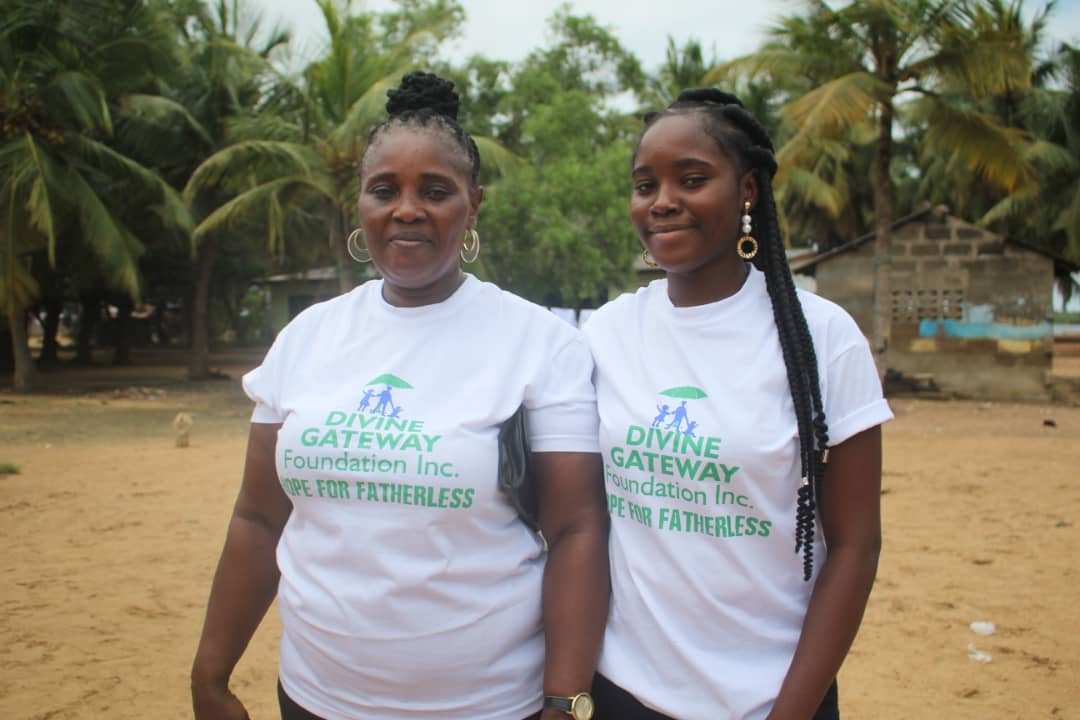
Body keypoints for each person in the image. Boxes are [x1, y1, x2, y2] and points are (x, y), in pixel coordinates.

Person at [191, 71, 609, 720]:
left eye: (434, 191)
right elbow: (258, 519)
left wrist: (565, 698)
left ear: (473, 206)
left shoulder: (539, 344)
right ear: (359, 205)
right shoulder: (307, 338)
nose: (406, 209)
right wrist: (210, 675)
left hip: (488, 706)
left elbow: (576, 528)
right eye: (384, 190)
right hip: (313, 699)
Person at [581, 89, 894, 720]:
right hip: (624, 692)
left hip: (772, 699)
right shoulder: (606, 333)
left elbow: (856, 545)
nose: (662, 202)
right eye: (645, 185)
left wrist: (790, 711)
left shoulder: (821, 338)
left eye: (692, 179)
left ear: (748, 188)